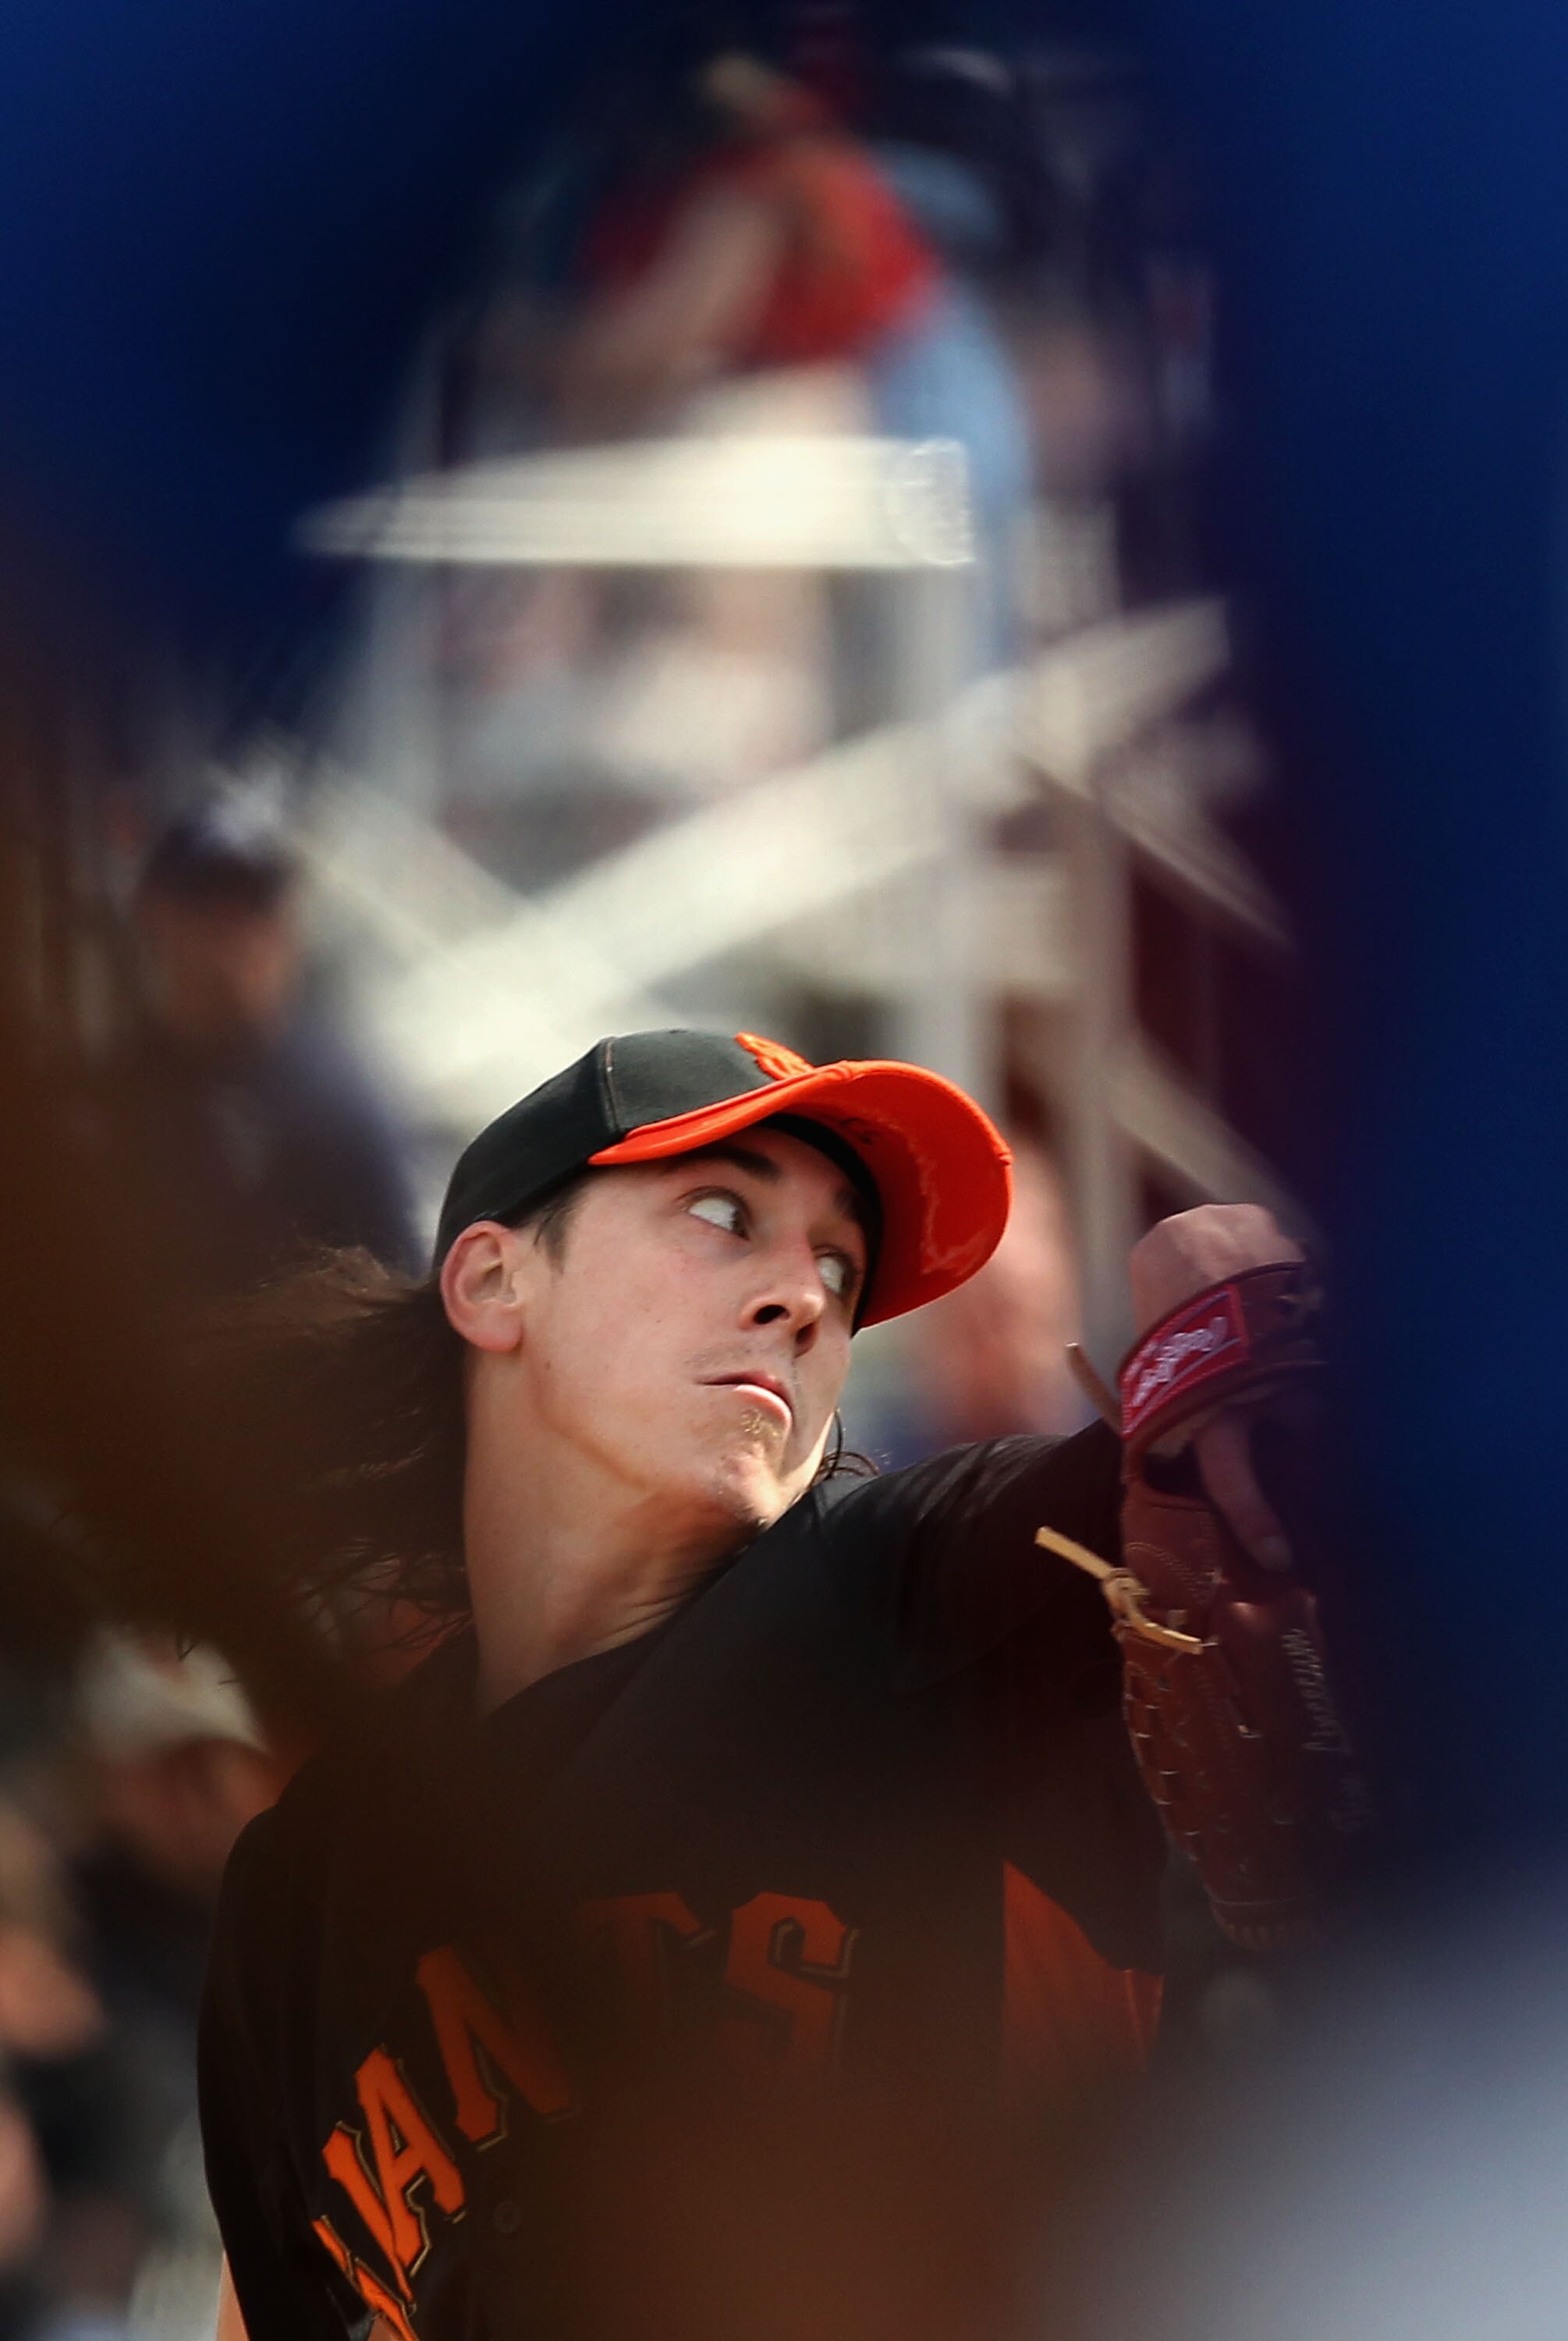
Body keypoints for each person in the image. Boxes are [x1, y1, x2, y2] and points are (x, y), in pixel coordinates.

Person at [196, 1028, 1351, 2341]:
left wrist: (1252, 1327)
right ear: (492, 1281)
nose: (803, 1293)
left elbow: (1253, 1473)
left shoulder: (919, 1596)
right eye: (723, 1211)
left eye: (841, 1266)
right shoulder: (305, 1885)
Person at [100, 800, 419, 1323]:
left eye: (257, 912)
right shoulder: (106, 1104)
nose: (237, 944)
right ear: (155, 918)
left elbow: (399, 1297)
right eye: (209, 914)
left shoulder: (343, 1100)